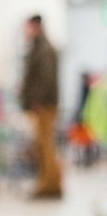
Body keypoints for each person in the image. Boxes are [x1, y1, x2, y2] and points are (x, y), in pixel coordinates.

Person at [20, 14, 62, 199]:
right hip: (41, 104)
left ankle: (50, 185)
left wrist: (37, 100)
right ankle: (47, 183)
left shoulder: (44, 49)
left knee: (45, 145)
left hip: (44, 105)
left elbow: (46, 79)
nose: (25, 31)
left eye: (27, 27)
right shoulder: (38, 48)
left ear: (36, 26)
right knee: (42, 144)